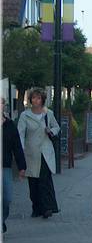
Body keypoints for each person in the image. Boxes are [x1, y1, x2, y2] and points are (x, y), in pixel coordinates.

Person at [17, 88, 60, 218]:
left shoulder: (48, 114)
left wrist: (51, 131)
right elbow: (20, 133)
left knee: (44, 180)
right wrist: (21, 150)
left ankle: (47, 208)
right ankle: (36, 208)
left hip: (45, 152)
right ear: (30, 100)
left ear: (42, 100)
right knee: (33, 182)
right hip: (31, 153)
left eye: (39, 98)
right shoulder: (25, 115)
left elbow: (57, 127)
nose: (36, 100)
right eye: (34, 98)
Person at [2, 97, 27, 233]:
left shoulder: (10, 126)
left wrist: (22, 167)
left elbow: (17, 147)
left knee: (7, 198)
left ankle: (2, 219)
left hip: (5, 167)